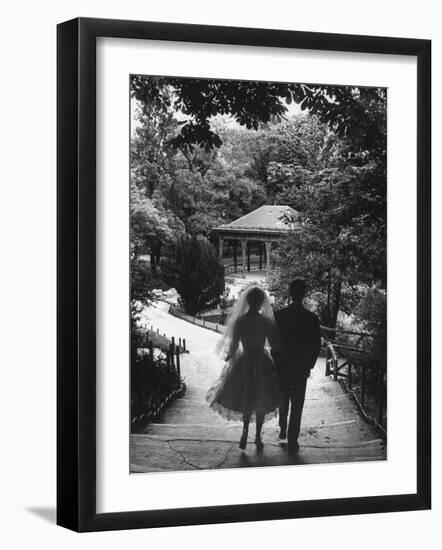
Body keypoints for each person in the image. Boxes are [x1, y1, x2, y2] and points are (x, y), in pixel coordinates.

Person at [206, 285, 281, 451]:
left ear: (246, 301)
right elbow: (274, 345)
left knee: (246, 397)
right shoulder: (266, 321)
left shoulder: (240, 321)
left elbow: (233, 345)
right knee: (261, 397)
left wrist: (230, 357)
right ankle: (257, 437)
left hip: (244, 360)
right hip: (262, 362)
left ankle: (245, 432)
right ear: (262, 302)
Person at [272, 279, 321, 455]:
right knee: (298, 403)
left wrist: (276, 362)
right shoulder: (312, 318)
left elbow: (274, 344)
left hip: (283, 366)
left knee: (284, 398)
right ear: (304, 294)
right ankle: (293, 438)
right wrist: (309, 365)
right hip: (301, 368)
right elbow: (316, 345)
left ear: (290, 293)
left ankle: (283, 426)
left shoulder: (278, 316)